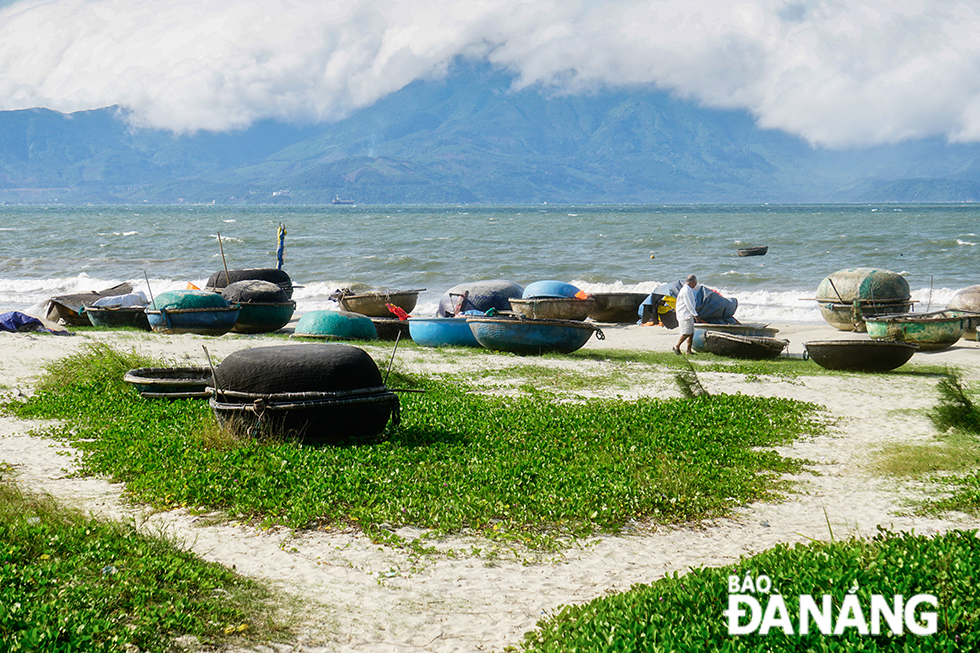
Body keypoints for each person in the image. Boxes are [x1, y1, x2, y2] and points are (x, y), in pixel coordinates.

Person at [673, 274, 699, 355]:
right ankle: (676, 346)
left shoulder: (688, 289)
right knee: (686, 333)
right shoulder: (686, 290)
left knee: (691, 333)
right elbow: (689, 304)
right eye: (695, 283)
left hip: (688, 314)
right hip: (684, 315)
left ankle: (689, 351)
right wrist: (695, 315)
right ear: (693, 282)